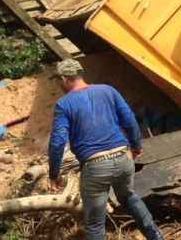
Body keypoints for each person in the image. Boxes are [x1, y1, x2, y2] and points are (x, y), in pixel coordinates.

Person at [47, 59, 163, 240]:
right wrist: (136, 146)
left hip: (96, 166)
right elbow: (130, 120)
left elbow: (57, 141)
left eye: (58, 80)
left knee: (94, 224)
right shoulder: (108, 91)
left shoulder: (64, 104)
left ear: (64, 78)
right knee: (129, 197)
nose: (58, 84)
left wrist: (54, 174)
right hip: (123, 158)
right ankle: (156, 237)